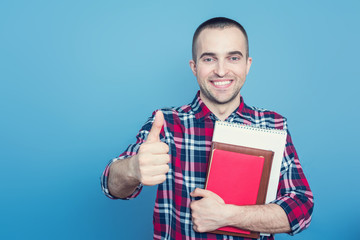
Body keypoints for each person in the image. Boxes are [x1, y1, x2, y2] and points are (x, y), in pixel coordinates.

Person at [101, 17, 314, 240]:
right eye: (209, 58)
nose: (221, 71)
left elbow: (302, 208)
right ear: (194, 67)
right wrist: (133, 168)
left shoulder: (273, 125)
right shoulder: (166, 123)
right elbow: (110, 185)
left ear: (247, 64)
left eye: (233, 57)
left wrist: (229, 216)